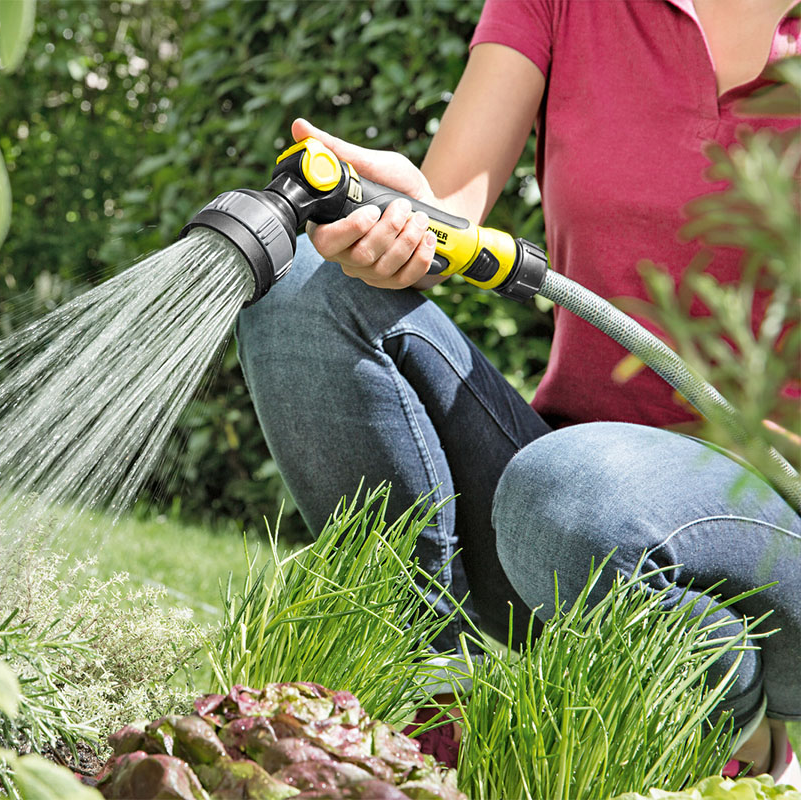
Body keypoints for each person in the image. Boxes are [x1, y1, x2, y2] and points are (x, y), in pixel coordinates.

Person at [236, 0, 801, 783]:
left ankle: (738, 739)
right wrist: (403, 219)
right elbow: (448, 208)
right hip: (557, 522)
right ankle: (429, 713)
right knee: (305, 287)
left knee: (572, 489)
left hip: (772, 530)